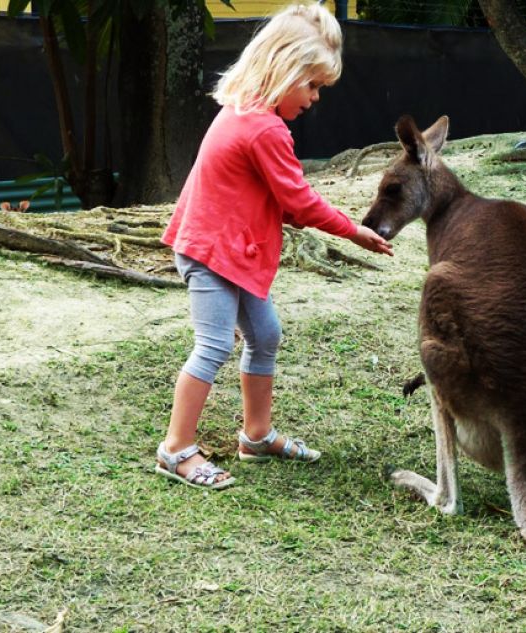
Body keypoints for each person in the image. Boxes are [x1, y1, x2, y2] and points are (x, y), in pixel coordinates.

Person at [155, 3, 393, 489]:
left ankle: (256, 436)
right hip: (212, 253)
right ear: (282, 68)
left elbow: (271, 199)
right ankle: (176, 449)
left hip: (232, 250)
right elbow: (300, 202)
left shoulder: (244, 112)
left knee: (265, 336)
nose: (315, 98)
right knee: (214, 345)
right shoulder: (263, 128)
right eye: (311, 85)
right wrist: (353, 230)